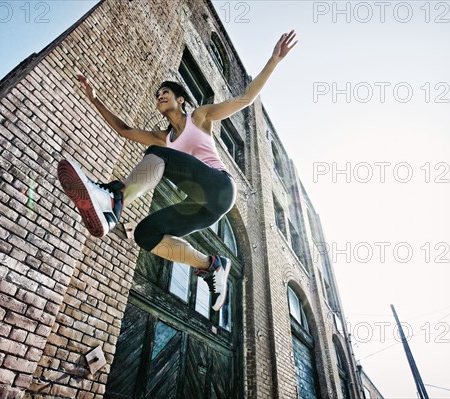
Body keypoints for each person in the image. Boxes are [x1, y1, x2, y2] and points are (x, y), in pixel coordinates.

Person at [57, 30, 297, 311]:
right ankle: (211, 264)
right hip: (203, 209)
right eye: (157, 95)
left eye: (165, 93)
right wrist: (94, 98)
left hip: (220, 188)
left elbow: (244, 98)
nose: (160, 97)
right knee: (145, 234)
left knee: (159, 155)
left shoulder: (200, 117)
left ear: (180, 99)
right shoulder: (164, 137)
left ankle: (114, 201)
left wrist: (274, 60)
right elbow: (123, 130)